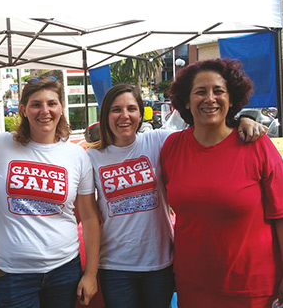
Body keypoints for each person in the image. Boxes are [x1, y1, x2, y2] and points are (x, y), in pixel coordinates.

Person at [86, 84, 267, 308]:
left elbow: (204, 131)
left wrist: (240, 120)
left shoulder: (159, 141)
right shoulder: (92, 157)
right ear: (106, 115)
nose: (125, 116)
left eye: (131, 109)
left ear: (141, 114)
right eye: (116, 109)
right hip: (115, 266)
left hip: (160, 264)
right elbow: (88, 216)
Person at [161, 58, 283, 308]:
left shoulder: (256, 145)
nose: (210, 98)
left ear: (231, 98)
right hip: (193, 284)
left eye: (219, 91)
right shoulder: (172, 147)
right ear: (186, 100)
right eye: (200, 92)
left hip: (251, 287)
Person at [0, 76, 100, 308]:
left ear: (61, 108)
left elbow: (90, 217)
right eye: (36, 104)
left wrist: (91, 274)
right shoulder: (0, 145)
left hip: (64, 270)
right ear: (23, 109)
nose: (45, 111)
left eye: (52, 103)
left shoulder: (76, 156)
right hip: (12, 273)